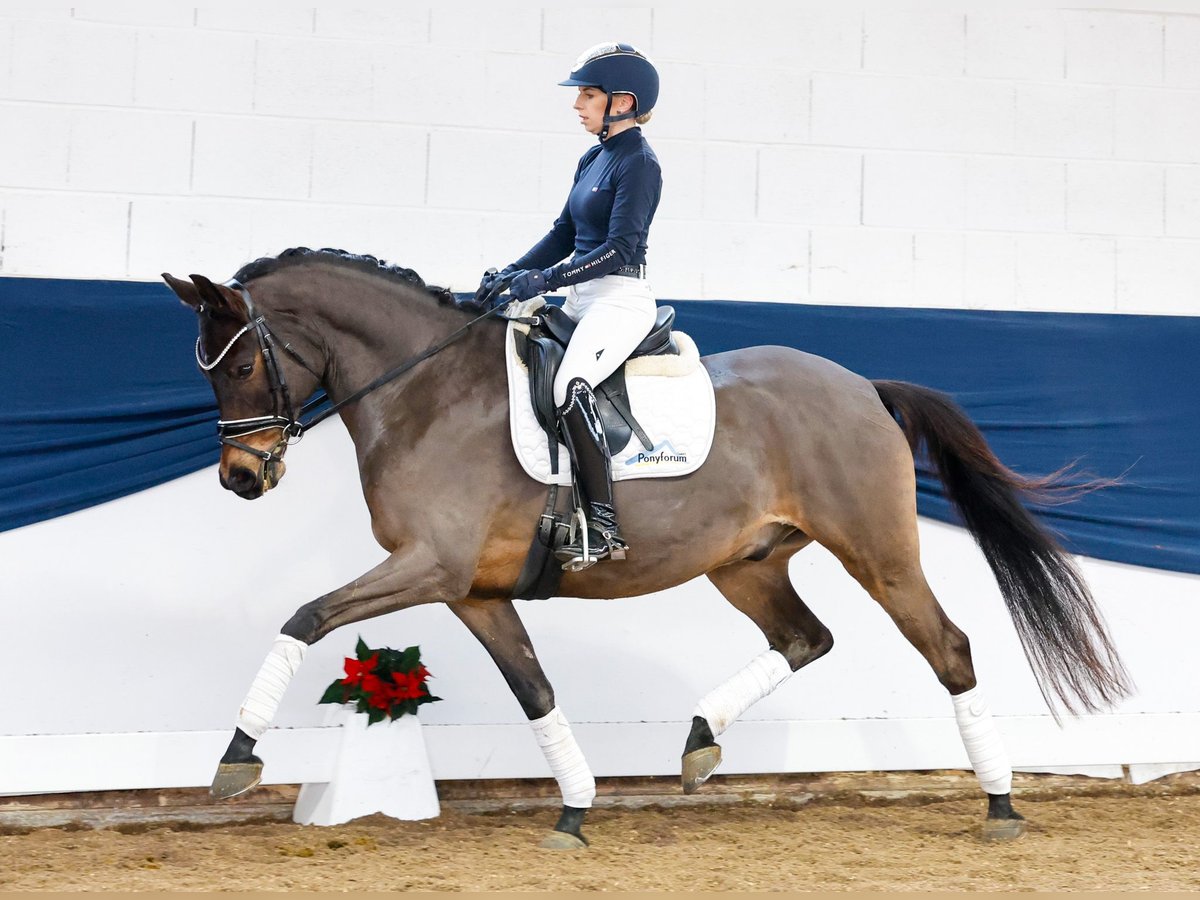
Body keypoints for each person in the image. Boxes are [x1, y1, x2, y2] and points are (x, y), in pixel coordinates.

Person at [476, 42, 662, 571]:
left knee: (569, 384)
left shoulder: (640, 164)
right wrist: (513, 273)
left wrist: (547, 279)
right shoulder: (594, 156)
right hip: (581, 295)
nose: (577, 104)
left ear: (622, 101)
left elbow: (621, 249)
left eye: (587, 94)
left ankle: (604, 524)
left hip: (619, 300)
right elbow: (564, 232)